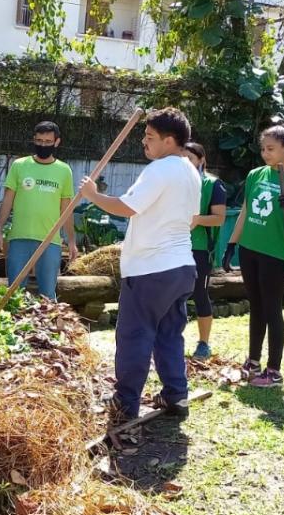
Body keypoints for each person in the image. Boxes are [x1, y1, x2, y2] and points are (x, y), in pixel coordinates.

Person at [78, 108, 201, 422]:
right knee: (169, 334)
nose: (144, 143)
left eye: (150, 137)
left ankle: (125, 402)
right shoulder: (190, 171)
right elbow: (189, 221)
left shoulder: (160, 169)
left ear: (169, 140)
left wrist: (93, 195)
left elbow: (127, 207)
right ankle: (176, 395)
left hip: (151, 270)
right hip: (182, 267)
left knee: (135, 335)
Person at [221, 123, 284, 389]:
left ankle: (273, 371)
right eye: (263, 148)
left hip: (274, 252)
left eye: (271, 149)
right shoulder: (256, 175)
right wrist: (232, 243)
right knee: (256, 306)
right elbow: (244, 211)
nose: (265, 153)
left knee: (272, 308)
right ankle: (252, 361)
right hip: (250, 248)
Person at [0, 121, 78, 301]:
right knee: (14, 295)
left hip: (50, 241)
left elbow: (66, 209)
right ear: (34, 140)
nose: (43, 145)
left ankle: (48, 328)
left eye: (47, 141)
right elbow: (7, 201)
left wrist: (71, 241)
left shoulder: (64, 170)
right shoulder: (20, 165)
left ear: (57, 142)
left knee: (48, 296)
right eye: (39, 141)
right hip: (19, 238)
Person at [183, 142, 227, 359]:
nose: (185, 163)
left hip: (200, 249)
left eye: (189, 158)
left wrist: (198, 220)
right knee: (172, 295)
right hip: (174, 246)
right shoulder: (174, 183)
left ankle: (203, 343)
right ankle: (169, 339)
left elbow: (220, 218)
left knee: (199, 294)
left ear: (201, 160)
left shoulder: (213, 185)